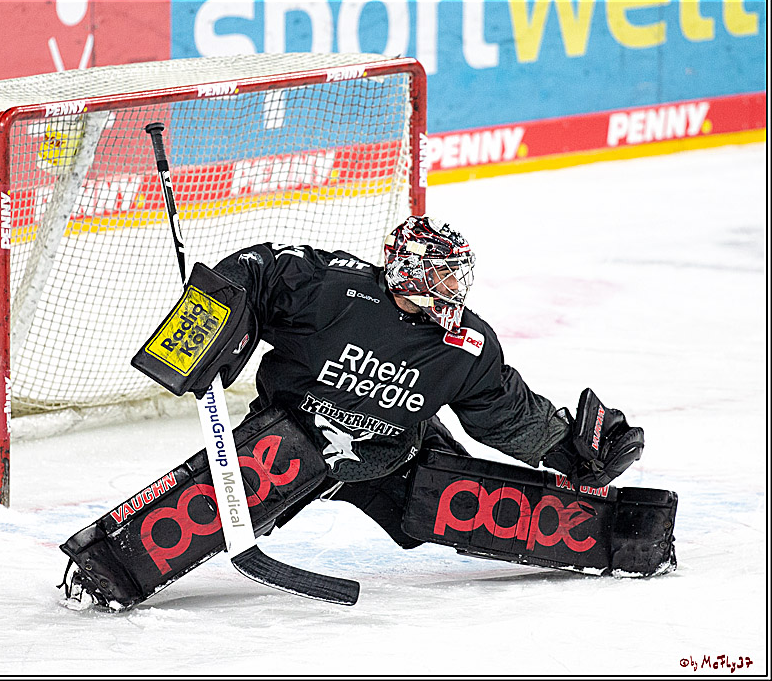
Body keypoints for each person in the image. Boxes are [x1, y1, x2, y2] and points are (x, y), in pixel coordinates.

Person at [203, 215, 645, 545]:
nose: (454, 285)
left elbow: (503, 410)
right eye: (442, 272)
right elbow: (259, 269)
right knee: (206, 516)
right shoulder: (334, 290)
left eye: (456, 273)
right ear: (408, 269)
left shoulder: (466, 344)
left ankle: (601, 535)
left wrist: (570, 453)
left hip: (393, 455)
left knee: (464, 504)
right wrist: (211, 310)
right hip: (288, 438)